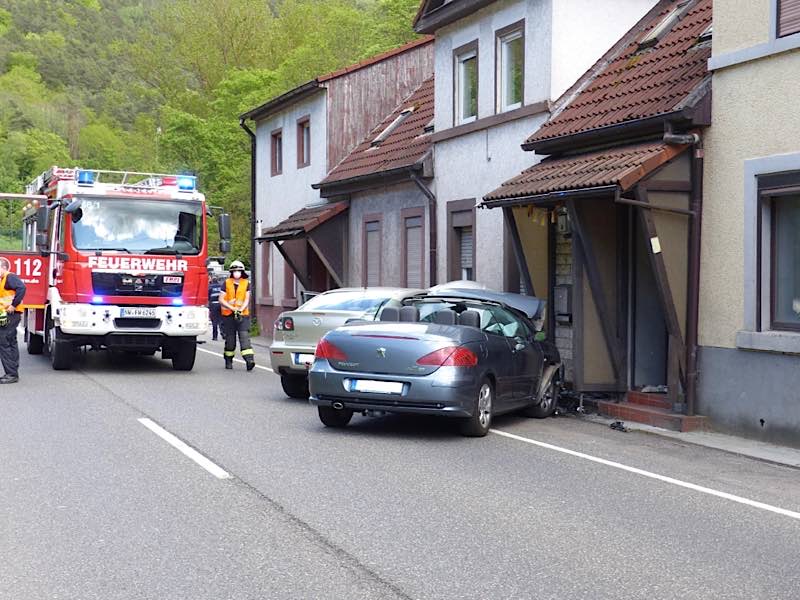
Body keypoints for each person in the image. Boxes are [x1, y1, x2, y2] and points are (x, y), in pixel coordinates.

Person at [219, 260, 255, 370]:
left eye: (238, 271)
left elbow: (247, 299)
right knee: (230, 340)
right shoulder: (226, 283)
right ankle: (228, 360)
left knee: (244, 338)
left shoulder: (246, 283)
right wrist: (232, 308)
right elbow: (221, 299)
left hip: (242, 315)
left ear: (242, 272)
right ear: (231, 272)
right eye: (234, 271)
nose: (236, 273)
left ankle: (249, 360)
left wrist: (240, 310)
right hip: (228, 315)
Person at [0, 257, 26, 384]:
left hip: (12, 314)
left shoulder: (10, 277)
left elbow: (22, 288)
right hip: (9, 314)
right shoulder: (3, 280)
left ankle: (11, 374)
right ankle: (13, 371)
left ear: (3, 267)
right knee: (11, 341)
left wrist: (13, 305)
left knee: (4, 341)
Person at [208, 275, 223, 341]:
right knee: (221, 320)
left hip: (213, 305)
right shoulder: (221, 286)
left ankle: (215, 336)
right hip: (221, 304)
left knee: (214, 321)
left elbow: (208, 297)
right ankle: (224, 334)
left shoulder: (210, 287)